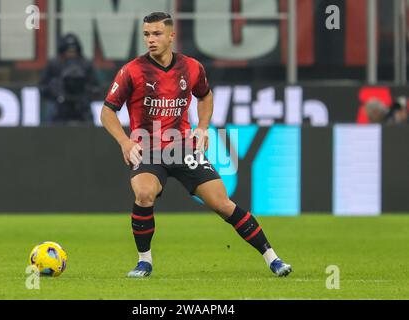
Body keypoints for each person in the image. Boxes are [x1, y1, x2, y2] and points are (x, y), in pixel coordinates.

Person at [100, 12, 292, 278]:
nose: (151, 40)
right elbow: (107, 111)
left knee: (222, 203)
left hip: (183, 148)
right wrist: (123, 141)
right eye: (146, 34)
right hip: (148, 149)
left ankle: (273, 258)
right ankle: (144, 262)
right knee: (144, 194)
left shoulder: (191, 67)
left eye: (156, 34)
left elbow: (205, 96)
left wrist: (202, 127)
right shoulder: (131, 71)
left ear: (171, 35)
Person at [40, 33, 100, 124]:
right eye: (68, 52)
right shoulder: (54, 64)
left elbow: (96, 86)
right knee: (52, 113)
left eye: (73, 52)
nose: (71, 54)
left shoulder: (86, 64)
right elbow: (43, 86)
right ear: (62, 52)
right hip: (60, 105)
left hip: (82, 104)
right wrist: (55, 93)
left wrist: (87, 94)